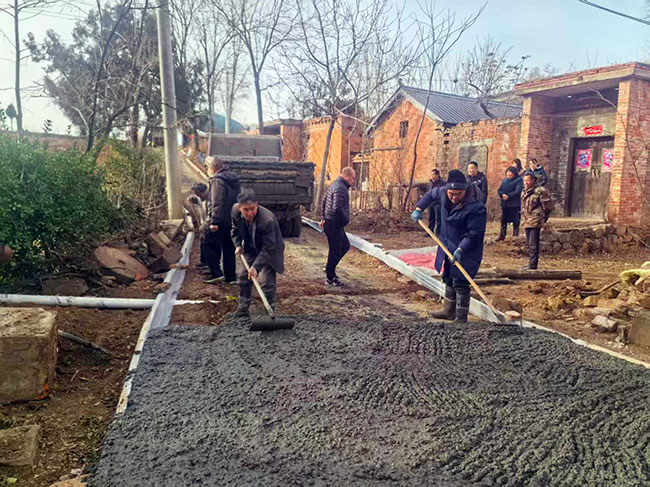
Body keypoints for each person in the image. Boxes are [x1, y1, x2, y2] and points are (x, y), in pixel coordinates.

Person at [410, 169, 487, 324]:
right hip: (446, 243)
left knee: (461, 281)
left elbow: (474, 234)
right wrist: (419, 208)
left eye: (458, 194)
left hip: (466, 249)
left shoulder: (476, 207)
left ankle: (461, 317)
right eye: (451, 194)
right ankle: (448, 311)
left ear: (465, 190)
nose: (454, 197)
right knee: (448, 277)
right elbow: (430, 195)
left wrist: (461, 249)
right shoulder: (443, 192)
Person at [231, 190, 285, 317]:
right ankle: (243, 308)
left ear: (257, 205)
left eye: (252, 209)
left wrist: (256, 267)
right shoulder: (235, 212)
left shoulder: (266, 220)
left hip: (270, 249)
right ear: (239, 208)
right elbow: (235, 229)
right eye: (246, 210)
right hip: (251, 247)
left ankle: (269, 311)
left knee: (267, 282)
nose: (250, 213)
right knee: (244, 277)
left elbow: (269, 247)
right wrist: (238, 244)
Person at [203, 157, 241, 284]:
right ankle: (230, 277)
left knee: (207, 244)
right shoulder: (233, 179)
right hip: (232, 219)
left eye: (207, 168)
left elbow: (217, 202)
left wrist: (214, 222)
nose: (207, 171)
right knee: (228, 247)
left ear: (212, 168)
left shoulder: (218, 181)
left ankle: (216, 273)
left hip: (221, 221)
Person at [320, 167, 356, 287]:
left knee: (343, 246)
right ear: (346, 176)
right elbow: (337, 207)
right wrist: (345, 220)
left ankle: (330, 269)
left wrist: (323, 217)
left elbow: (324, 201)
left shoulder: (334, 184)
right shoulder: (341, 188)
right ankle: (330, 277)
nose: (353, 181)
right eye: (352, 178)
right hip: (334, 222)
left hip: (330, 221)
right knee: (337, 249)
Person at [520, 170, 553, 270]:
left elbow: (548, 207)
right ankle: (531, 263)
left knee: (533, 243)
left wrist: (543, 218)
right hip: (526, 220)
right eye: (524, 180)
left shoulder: (540, 191)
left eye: (528, 180)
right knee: (529, 244)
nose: (526, 183)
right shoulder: (524, 191)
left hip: (535, 220)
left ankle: (533, 265)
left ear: (533, 180)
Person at [496, 166, 523, 241]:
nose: (509, 176)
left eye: (510, 174)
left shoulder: (519, 180)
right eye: (507, 174)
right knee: (503, 220)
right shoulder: (505, 180)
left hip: (514, 203)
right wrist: (502, 194)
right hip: (505, 204)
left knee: (515, 220)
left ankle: (515, 235)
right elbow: (500, 189)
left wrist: (509, 196)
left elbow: (518, 191)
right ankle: (502, 235)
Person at [427, 168, 446, 235]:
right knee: (431, 218)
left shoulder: (443, 183)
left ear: (438, 175)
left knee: (438, 218)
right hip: (431, 203)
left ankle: (438, 232)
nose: (432, 176)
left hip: (438, 203)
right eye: (431, 175)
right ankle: (430, 231)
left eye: (433, 174)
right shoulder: (430, 183)